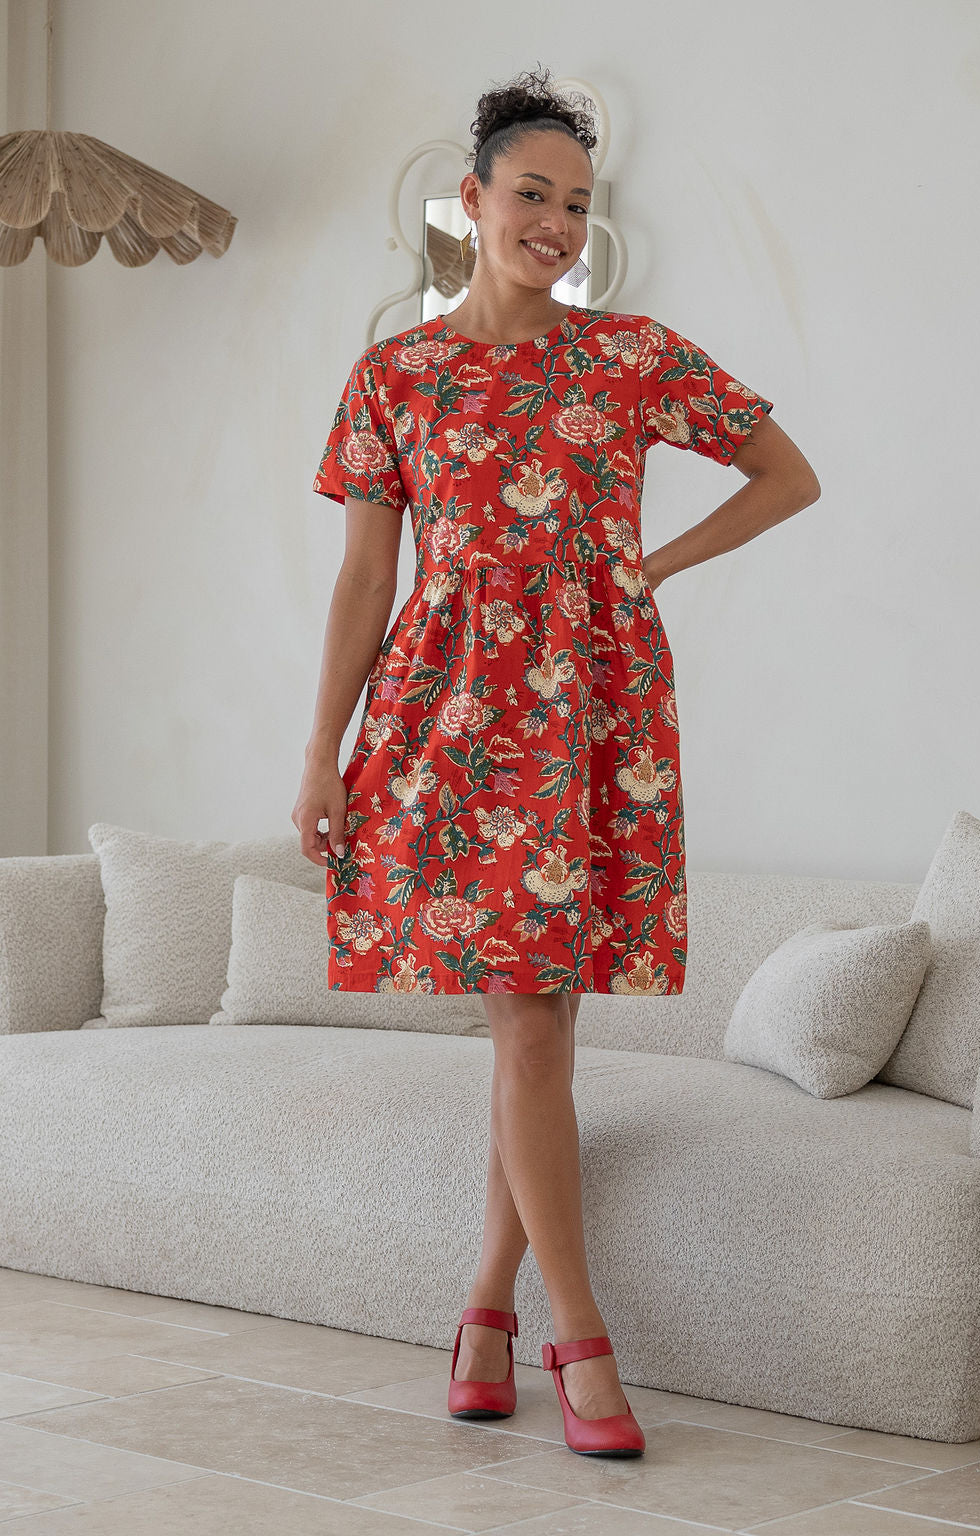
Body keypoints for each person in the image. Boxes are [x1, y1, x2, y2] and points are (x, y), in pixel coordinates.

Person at [293, 66, 820, 1457]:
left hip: (592, 712)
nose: (555, 225)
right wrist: (324, 755)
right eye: (532, 196)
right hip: (445, 720)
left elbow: (787, 475)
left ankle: (483, 1312)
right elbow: (362, 584)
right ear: (467, 203)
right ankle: (577, 1343)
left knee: (537, 1026)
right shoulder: (393, 377)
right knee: (531, 1025)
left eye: (576, 206)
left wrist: (646, 566)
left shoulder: (631, 357)